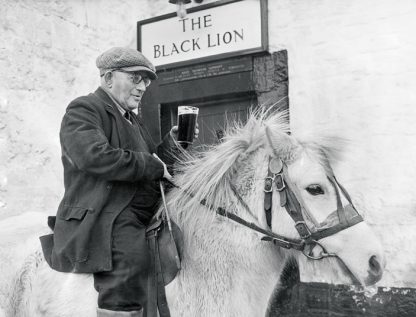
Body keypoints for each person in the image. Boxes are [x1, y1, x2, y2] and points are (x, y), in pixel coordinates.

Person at [40, 47, 197, 317]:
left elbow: (150, 162)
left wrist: (170, 145)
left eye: (146, 81)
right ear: (109, 77)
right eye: (136, 78)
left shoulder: (132, 119)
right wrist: (151, 164)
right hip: (105, 212)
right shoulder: (84, 108)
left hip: (141, 208)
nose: (143, 87)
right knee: (130, 261)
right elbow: (93, 156)